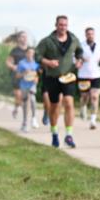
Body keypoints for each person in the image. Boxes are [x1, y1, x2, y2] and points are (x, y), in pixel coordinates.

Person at [35, 16, 84, 148]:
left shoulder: (73, 39)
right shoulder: (47, 41)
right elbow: (37, 55)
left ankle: (69, 135)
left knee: (68, 102)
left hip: (68, 77)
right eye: (61, 25)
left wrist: (79, 60)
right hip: (52, 77)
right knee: (55, 107)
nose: (63, 27)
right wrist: (48, 62)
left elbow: (80, 51)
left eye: (65, 25)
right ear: (56, 25)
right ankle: (55, 133)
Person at [78, 26, 100, 129]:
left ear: (94, 35)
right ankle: (83, 107)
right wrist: (80, 59)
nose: (90, 36)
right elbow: (74, 58)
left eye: (92, 34)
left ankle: (93, 120)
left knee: (94, 97)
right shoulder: (80, 46)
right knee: (84, 97)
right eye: (88, 34)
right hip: (83, 75)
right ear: (85, 35)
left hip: (96, 75)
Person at [6, 32, 29, 119]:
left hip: (28, 76)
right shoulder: (15, 51)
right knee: (19, 96)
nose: (25, 38)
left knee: (26, 97)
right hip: (17, 76)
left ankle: (25, 118)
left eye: (26, 36)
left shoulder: (30, 50)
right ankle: (16, 108)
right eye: (22, 37)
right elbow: (8, 62)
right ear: (19, 39)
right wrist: (13, 66)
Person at [17, 47, 40, 132]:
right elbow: (17, 76)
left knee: (33, 99)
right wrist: (24, 73)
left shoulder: (36, 64)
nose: (30, 54)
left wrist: (36, 79)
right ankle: (25, 122)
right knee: (26, 103)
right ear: (26, 54)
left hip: (32, 85)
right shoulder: (21, 63)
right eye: (29, 53)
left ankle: (34, 118)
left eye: (32, 53)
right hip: (24, 85)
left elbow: (37, 75)